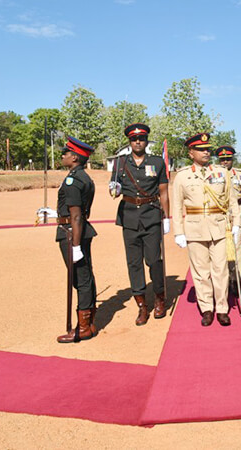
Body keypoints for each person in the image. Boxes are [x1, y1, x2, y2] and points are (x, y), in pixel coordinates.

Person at [172, 133, 241, 327]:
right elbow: (177, 206)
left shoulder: (221, 172)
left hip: (219, 227)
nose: (206, 152)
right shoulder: (183, 176)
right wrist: (178, 232)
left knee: (220, 270)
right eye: (201, 149)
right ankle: (207, 308)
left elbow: (231, 199)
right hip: (194, 228)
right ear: (191, 152)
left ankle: (221, 309)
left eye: (208, 149)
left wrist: (237, 222)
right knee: (201, 272)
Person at [37, 136, 98, 343]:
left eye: (66, 153)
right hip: (75, 228)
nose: (62, 155)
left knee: (80, 279)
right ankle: (89, 322)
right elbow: (74, 211)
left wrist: (76, 244)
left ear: (74, 157)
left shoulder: (73, 180)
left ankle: (83, 328)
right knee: (85, 277)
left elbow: (77, 214)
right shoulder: (82, 177)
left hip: (72, 233)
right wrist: (54, 214)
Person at [109, 123, 169, 326]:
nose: (137, 142)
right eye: (134, 139)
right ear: (129, 141)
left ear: (146, 141)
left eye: (141, 138)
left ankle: (159, 297)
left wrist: (167, 217)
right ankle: (142, 305)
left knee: (153, 260)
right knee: (134, 263)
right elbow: (114, 190)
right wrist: (114, 188)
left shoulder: (157, 162)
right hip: (129, 217)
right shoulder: (119, 164)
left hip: (151, 215)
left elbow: (163, 191)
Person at [216, 145, 241, 289]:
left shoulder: (240, 175)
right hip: (218, 214)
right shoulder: (213, 174)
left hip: (236, 214)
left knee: (236, 247)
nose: (225, 162)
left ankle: (235, 279)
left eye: (228, 159)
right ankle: (222, 278)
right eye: (222, 159)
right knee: (219, 248)